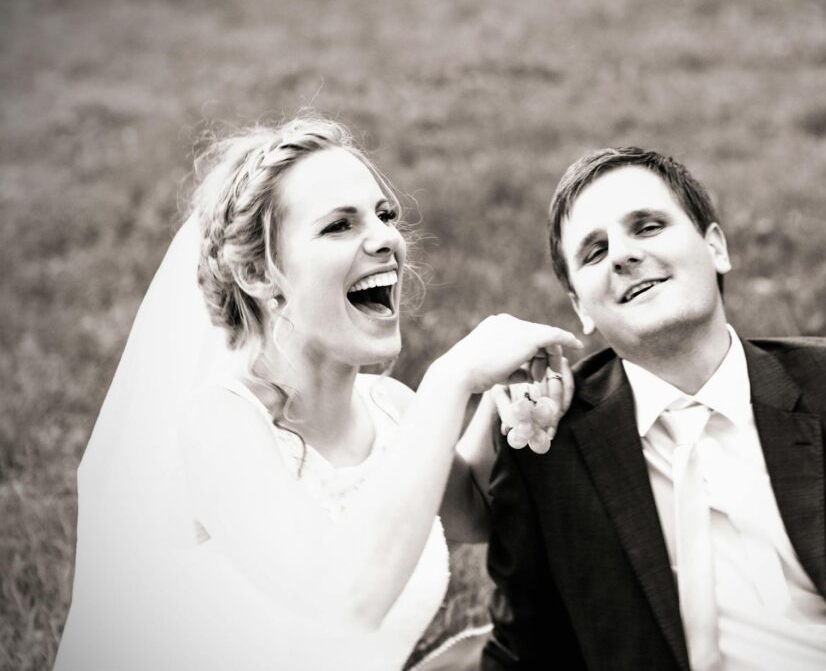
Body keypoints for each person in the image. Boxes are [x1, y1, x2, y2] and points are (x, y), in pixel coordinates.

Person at [54, 116, 579, 671]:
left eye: (384, 215)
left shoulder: (391, 410)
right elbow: (343, 607)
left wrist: (501, 408)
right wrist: (451, 381)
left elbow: (474, 512)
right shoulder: (221, 426)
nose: (386, 239)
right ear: (259, 274)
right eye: (338, 226)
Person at [484, 147, 826, 670]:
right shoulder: (545, 445)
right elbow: (528, 651)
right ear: (579, 306)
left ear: (715, 247)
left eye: (647, 227)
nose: (623, 254)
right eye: (595, 251)